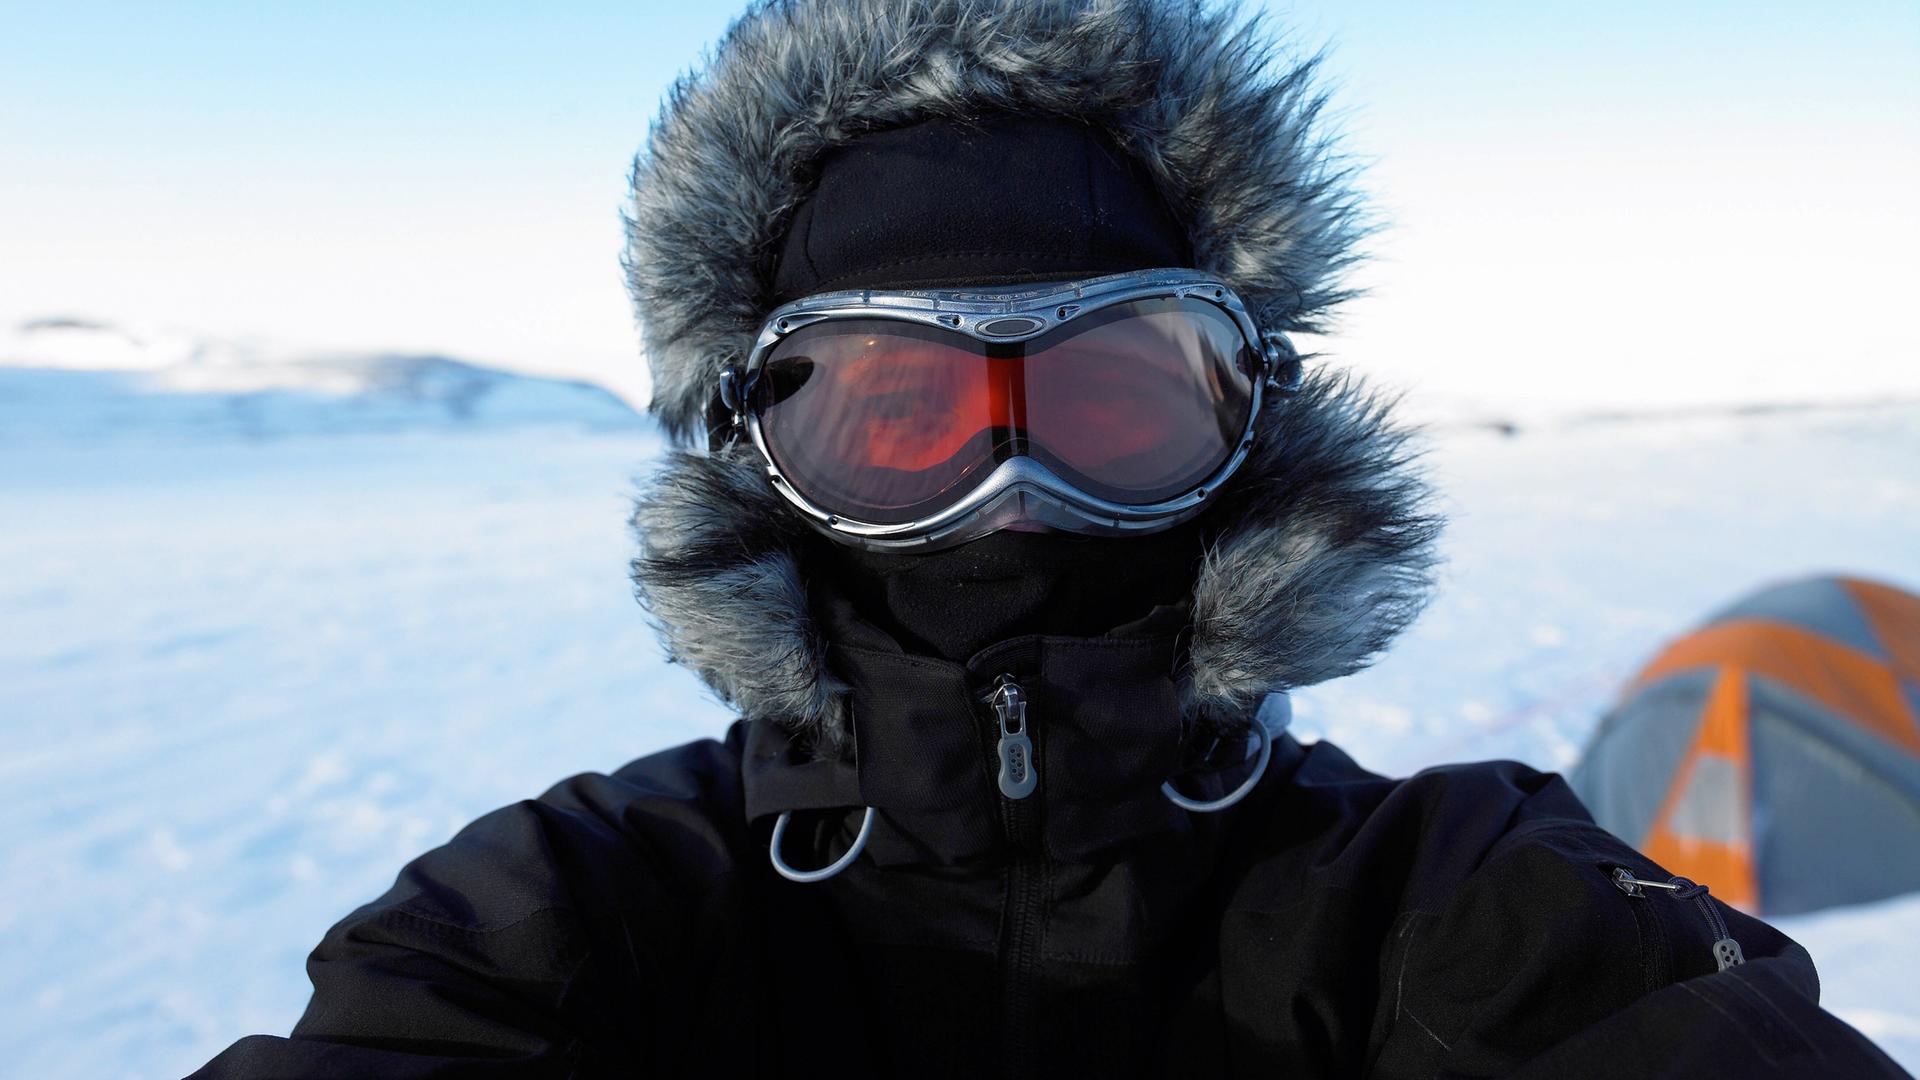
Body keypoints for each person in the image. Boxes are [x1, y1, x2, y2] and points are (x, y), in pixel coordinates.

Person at [194, 0, 1908, 1076]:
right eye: (893, 417)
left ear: (1252, 430)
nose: (1009, 491)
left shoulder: (1454, 896)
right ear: (756, 459)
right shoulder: (582, 907)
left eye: (1111, 401)